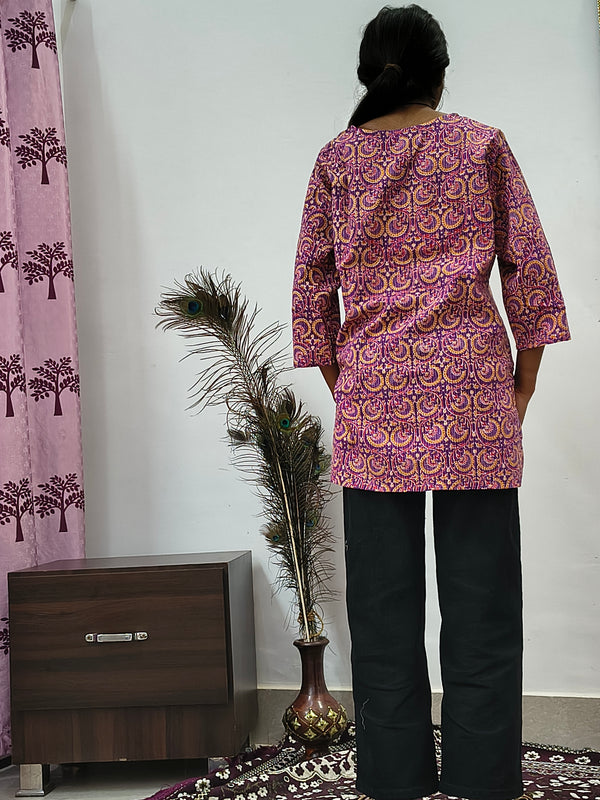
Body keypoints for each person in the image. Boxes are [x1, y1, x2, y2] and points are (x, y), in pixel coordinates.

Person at [291, 4, 570, 800]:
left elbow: (312, 295)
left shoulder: (336, 160)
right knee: (484, 616)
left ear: (368, 74)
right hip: (475, 403)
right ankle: (484, 783)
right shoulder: (480, 145)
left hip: (377, 404)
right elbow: (531, 270)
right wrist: (523, 383)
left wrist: (353, 392)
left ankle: (394, 781)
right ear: (440, 72)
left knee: (380, 620)